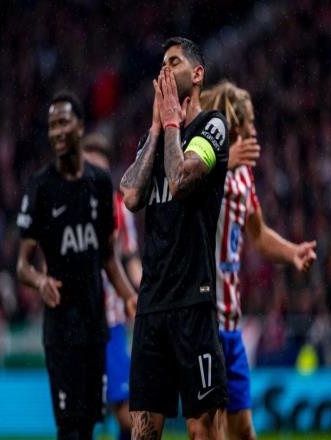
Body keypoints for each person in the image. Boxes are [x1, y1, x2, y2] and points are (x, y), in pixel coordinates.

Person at [120, 37, 230, 440]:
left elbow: (182, 180)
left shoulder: (212, 127)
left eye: (174, 62)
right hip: (151, 306)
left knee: (203, 430)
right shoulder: (152, 139)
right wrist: (156, 127)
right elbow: (131, 196)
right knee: (143, 432)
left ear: (197, 74)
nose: (165, 70)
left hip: (193, 302)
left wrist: (170, 125)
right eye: (162, 64)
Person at [16, 91, 137, 440]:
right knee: (69, 428)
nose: (56, 131)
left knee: (87, 424)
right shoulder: (40, 188)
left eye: (63, 122)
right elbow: (22, 265)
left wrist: (130, 296)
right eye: (51, 125)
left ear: (80, 127)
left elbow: (108, 257)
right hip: (60, 328)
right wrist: (40, 282)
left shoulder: (100, 185)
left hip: (96, 324)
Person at [200, 80, 317, 440]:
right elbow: (182, 199)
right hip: (203, 317)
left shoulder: (244, 176)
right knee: (210, 429)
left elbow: (259, 234)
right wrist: (222, 161)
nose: (254, 129)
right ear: (234, 124)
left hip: (231, 322)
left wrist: (292, 252)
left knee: (244, 431)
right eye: (249, 121)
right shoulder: (202, 166)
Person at [82, 133, 142, 440]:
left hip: (111, 320)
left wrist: (143, 292)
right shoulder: (67, 205)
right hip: (76, 322)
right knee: (80, 411)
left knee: (124, 407)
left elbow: (130, 257)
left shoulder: (119, 208)